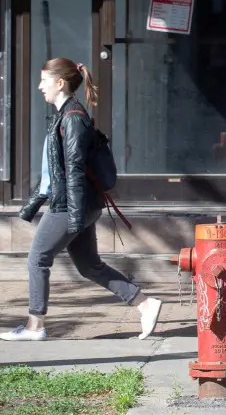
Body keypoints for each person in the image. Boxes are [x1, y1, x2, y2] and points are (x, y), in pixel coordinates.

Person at [1, 58, 162, 341]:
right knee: (89, 266)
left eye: (44, 80)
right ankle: (145, 305)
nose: (40, 87)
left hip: (71, 205)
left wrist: (72, 216)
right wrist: (36, 202)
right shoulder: (66, 115)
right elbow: (54, 169)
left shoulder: (73, 118)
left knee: (38, 258)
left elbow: (74, 169)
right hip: (80, 204)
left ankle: (34, 326)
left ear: (60, 83)